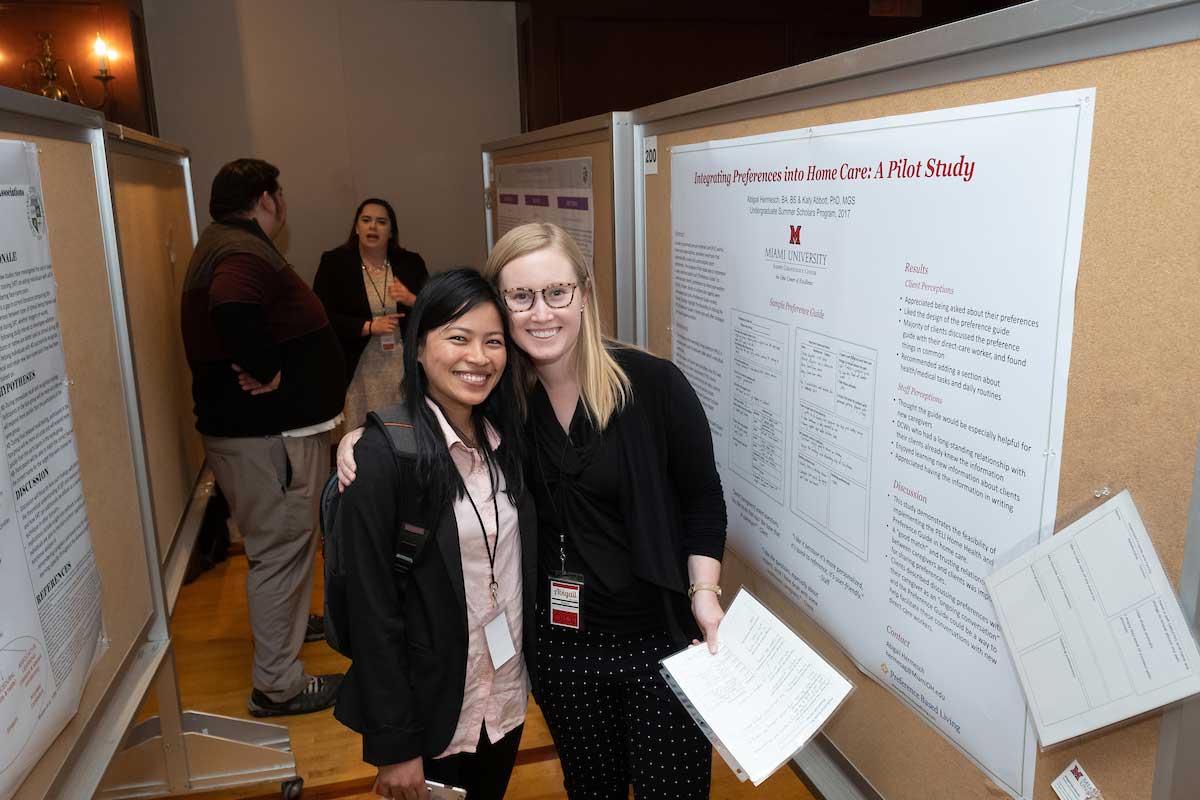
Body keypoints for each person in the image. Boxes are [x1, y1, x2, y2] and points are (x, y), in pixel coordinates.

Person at [339, 222, 728, 799]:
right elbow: (435, 406)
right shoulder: (502, 401)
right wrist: (361, 440)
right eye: (520, 297)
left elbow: (703, 499)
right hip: (562, 653)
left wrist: (704, 593)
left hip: (660, 645)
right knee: (591, 791)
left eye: (557, 292)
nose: (541, 313)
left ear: (585, 295)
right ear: (504, 308)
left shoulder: (652, 385)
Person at [334, 269, 536, 800]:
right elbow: (371, 612)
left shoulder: (506, 442)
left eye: (493, 341)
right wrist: (394, 745)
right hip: (432, 714)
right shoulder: (383, 459)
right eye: (458, 337)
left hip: (504, 702)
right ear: (419, 347)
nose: (479, 356)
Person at [180, 158, 346, 717]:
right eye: (281, 194)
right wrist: (267, 367)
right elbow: (232, 302)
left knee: (285, 548)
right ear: (267, 198)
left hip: (259, 437)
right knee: (280, 551)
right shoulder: (239, 251)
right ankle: (278, 685)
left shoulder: (222, 241)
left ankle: (291, 629)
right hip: (267, 439)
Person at [313, 198, 428, 430]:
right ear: (356, 228)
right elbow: (321, 316)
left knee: (405, 429)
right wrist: (367, 327)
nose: (372, 227)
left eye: (381, 222)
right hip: (359, 366)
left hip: (402, 363)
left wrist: (411, 300)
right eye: (366, 220)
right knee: (363, 430)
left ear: (391, 232)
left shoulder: (411, 263)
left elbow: (435, 309)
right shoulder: (335, 263)